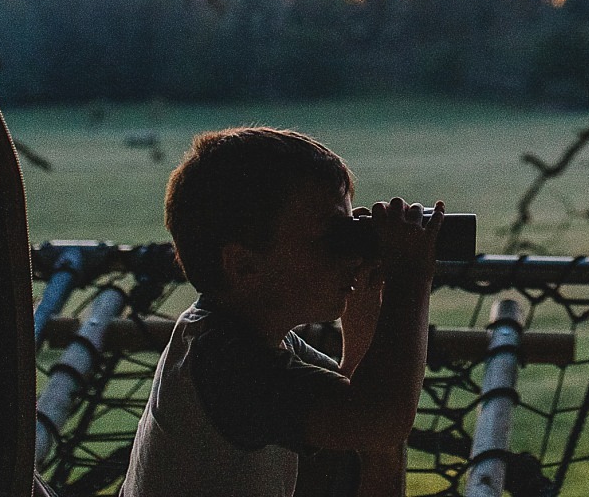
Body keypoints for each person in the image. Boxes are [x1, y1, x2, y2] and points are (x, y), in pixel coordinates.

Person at [121, 127, 443, 497]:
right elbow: (380, 417)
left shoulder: (244, 339)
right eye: (332, 239)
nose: (350, 253)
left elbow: (355, 424)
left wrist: (366, 308)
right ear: (243, 265)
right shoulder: (227, 364)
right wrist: (410, 274)